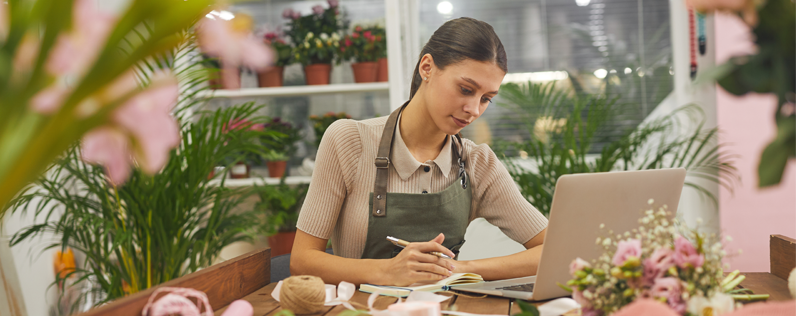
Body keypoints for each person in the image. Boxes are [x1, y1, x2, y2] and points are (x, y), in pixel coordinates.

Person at [291, 17, 548, 287]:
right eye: (465, 89)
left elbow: (554, 250)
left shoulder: (477, 163)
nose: (474, 109)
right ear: (427, 68)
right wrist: (386, 272)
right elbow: (302, 260)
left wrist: (458, 268)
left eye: (486, 99)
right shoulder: (349, 141)